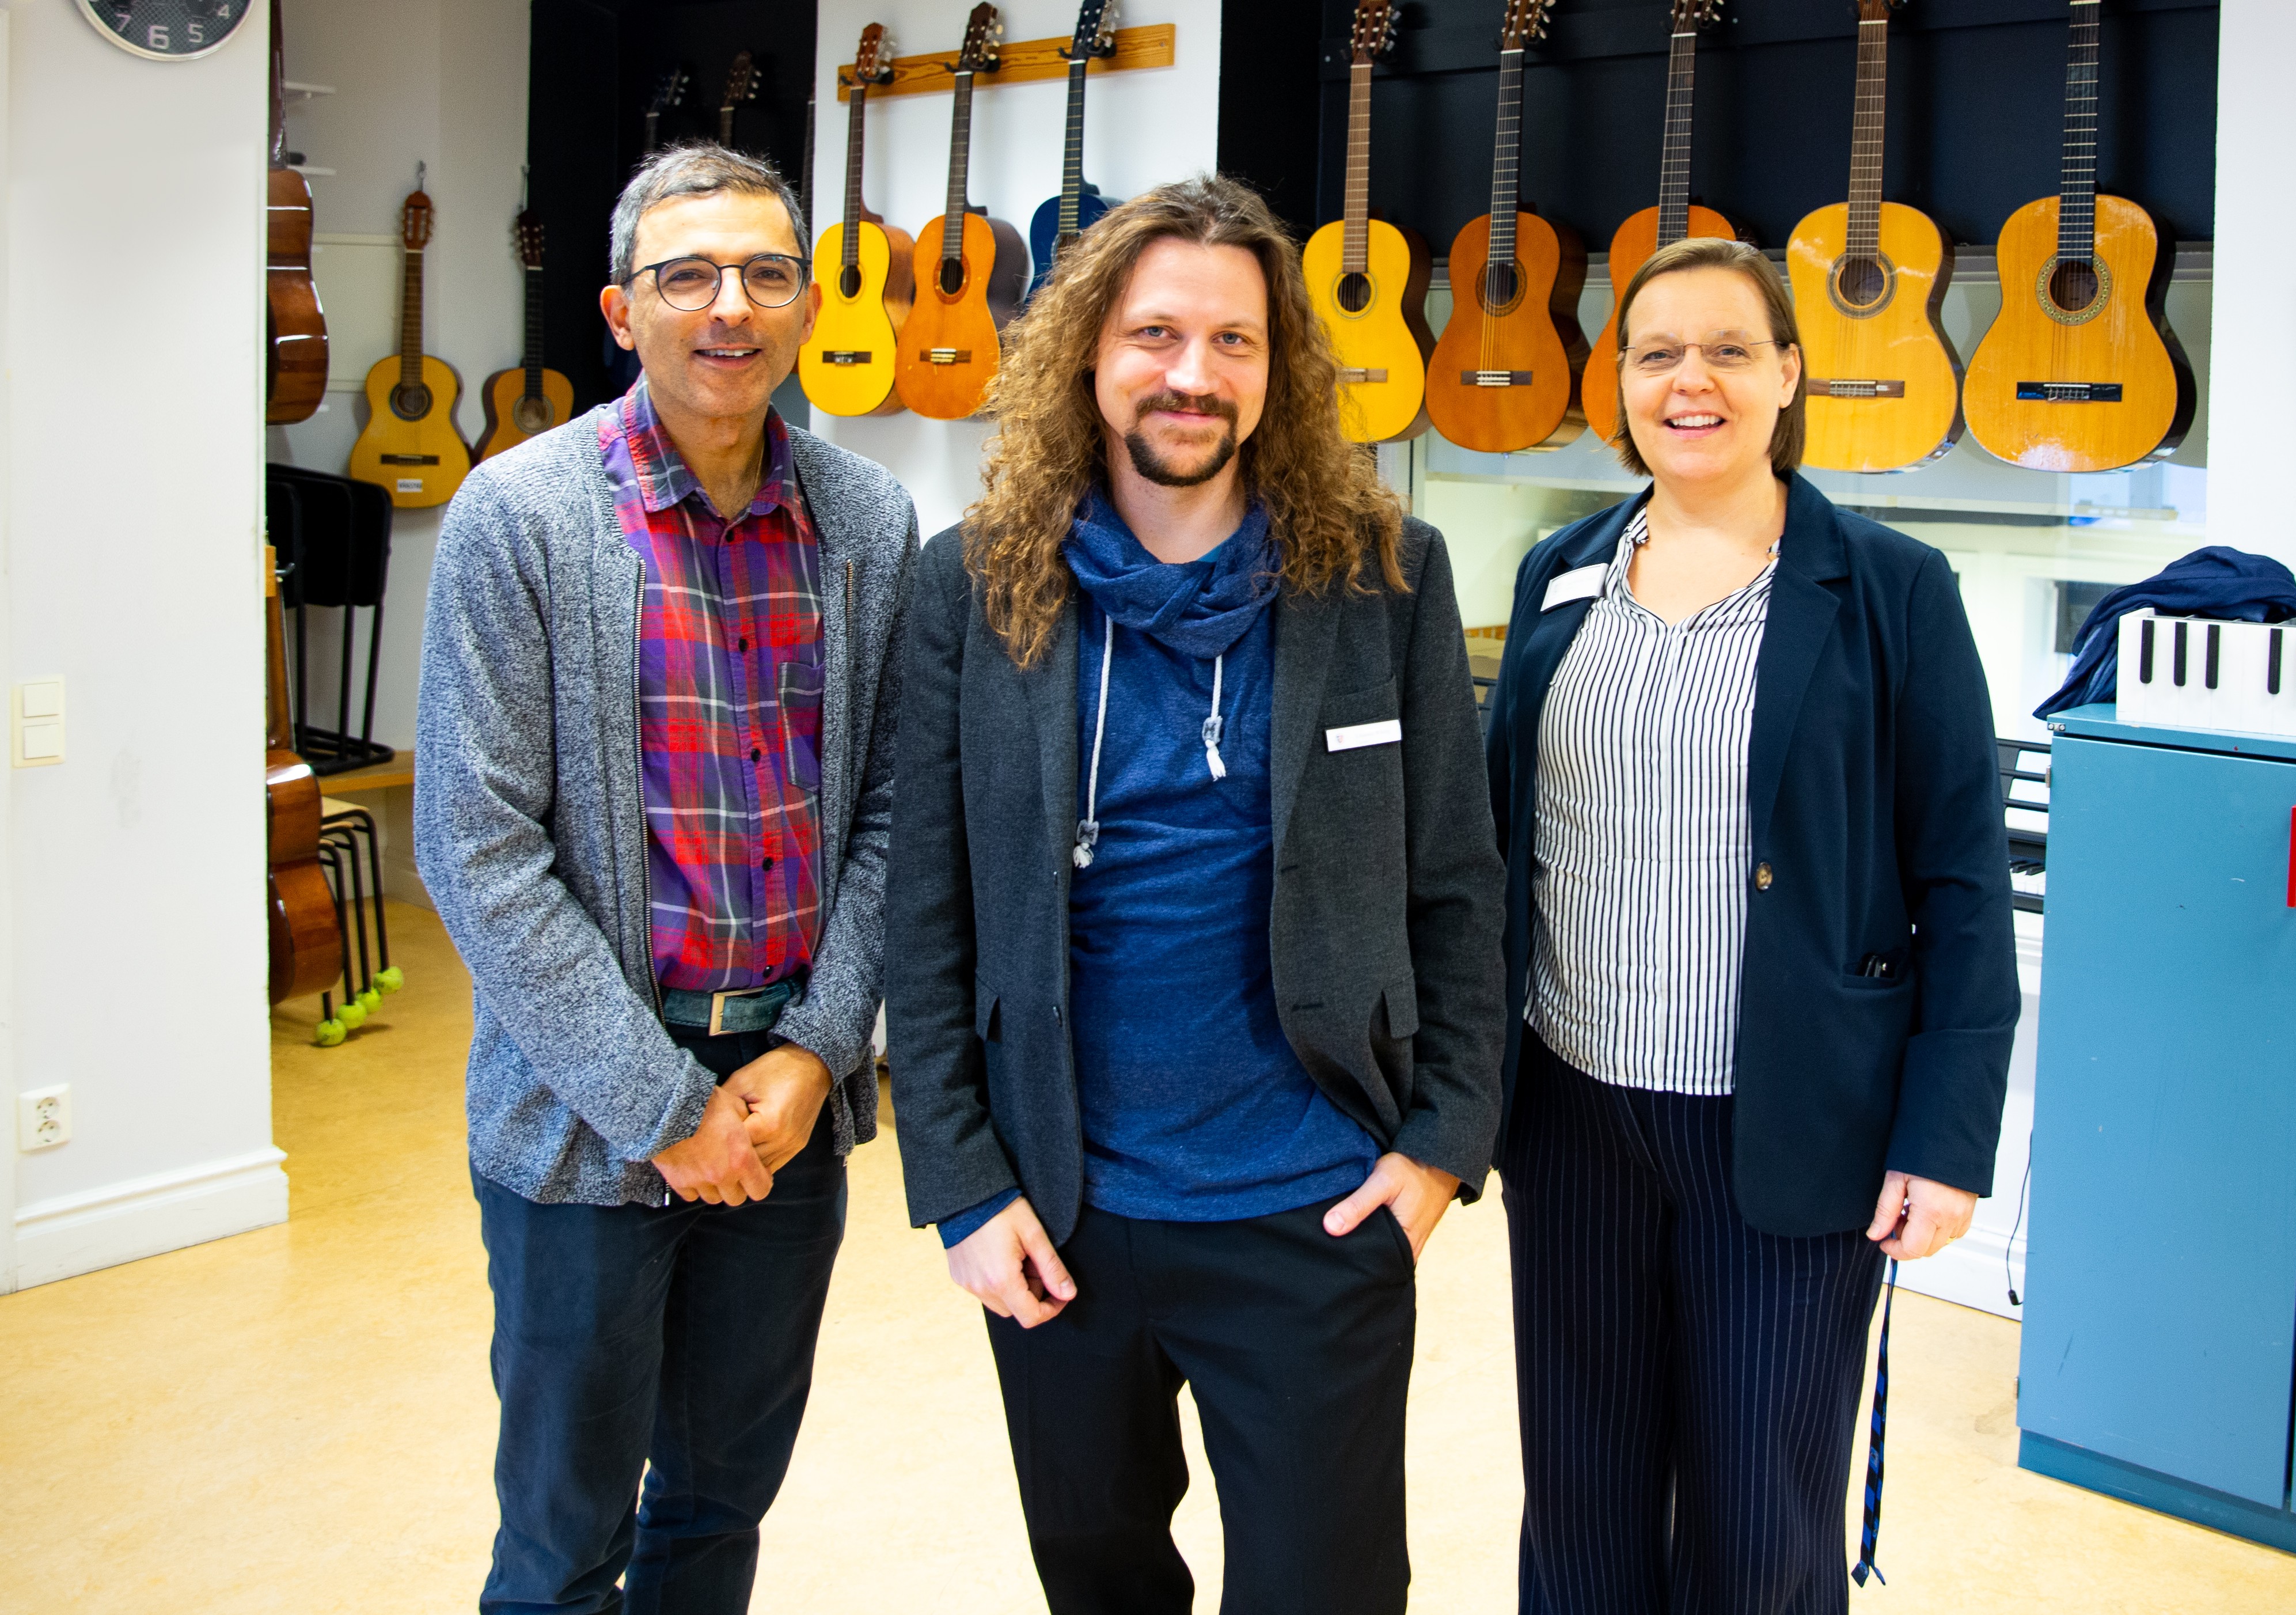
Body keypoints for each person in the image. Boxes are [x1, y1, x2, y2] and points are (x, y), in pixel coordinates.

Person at [884, 176, 1505, 1615]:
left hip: (1318, 1201)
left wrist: (1437, 1152)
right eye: (1157, 333)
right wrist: (963, 1185)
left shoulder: (1383, 574)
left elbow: (1459, 888)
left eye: (1235, 342)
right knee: (1098, 1579)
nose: (1192, 374)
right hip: (1060, 1208)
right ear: (1090, 355)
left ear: (1279, 370)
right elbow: (929, 908)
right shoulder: (974, 585)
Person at [415, 142, 916, 1614]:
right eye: (685, 274)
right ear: (620, 311)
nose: (729, 306)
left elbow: (893, 814)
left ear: (808, 303)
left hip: (786, 1105)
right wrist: (662, 1109)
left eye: (766, 272)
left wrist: (820, 1052)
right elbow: (478, 849)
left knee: (716, 1511)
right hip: (585, 1126)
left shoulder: (866, 520)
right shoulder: (518, 517)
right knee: (563, 1540)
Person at [1485, 237, 2020, 1614]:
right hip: (1573, 1109)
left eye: (1729, 349)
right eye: (1656, 352)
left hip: (1785, 1124)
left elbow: (1961, 878)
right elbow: (1491, 849)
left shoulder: (1892, 591)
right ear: (1619, 381)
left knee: (1760, 1514)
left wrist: (1944, 1141)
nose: (1692, 381)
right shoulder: (1560, 574)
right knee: (1581, 1496)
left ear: (1789, 372)